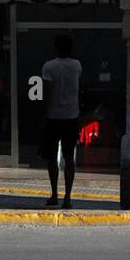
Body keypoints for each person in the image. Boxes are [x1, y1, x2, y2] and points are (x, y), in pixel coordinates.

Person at [41, 34, 83, 207]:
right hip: (71, 116)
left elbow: (47, 93)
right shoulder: (77, 66)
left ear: (56, 47)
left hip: (53, 116)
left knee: (51, 158)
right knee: (69, 157)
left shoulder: (49, 67)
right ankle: (67, 197)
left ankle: (54, 194)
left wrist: (43, 115)